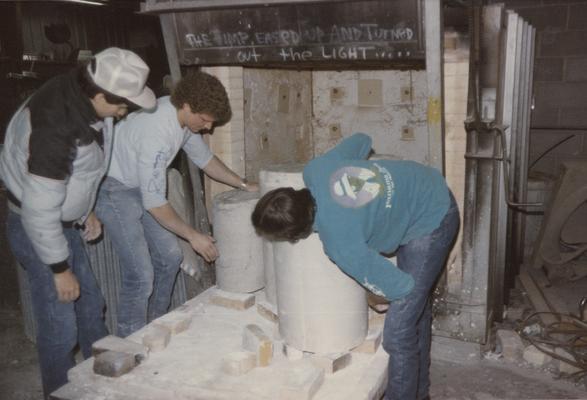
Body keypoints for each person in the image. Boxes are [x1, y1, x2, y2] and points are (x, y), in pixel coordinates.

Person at [251, 133, 459, 400]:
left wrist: (374, 291)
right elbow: (362, 140)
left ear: (295, 235)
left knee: (398, 332)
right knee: (416, 311)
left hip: (433, 217)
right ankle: (419, 394)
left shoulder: (340, 243)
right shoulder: (317, 169)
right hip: (421, 183)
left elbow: (402, 287)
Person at [0, 47, 156, 398]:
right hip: (35, 225)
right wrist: (59, 268)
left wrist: (86, 211)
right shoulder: (55, 130)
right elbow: (39, 209)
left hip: (60, 219)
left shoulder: (83, 95)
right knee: (60, 325)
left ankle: (101, 386)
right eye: (122, 104)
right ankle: (59, 392)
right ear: (100, 94)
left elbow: (81, 172)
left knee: (90, 305)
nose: (125, 110)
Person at [95, 70, 259, 338]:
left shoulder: (182, 120)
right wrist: (194, 237)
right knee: (141, 274)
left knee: (171, 257)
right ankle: (130, 342)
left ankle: (157, 327)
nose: (209, 128)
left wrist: (243, 184)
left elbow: (205, 160)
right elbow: (156, 204)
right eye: (205, 120)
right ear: (186, 106)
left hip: (139, 183)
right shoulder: (158, 133)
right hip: (113, 187)